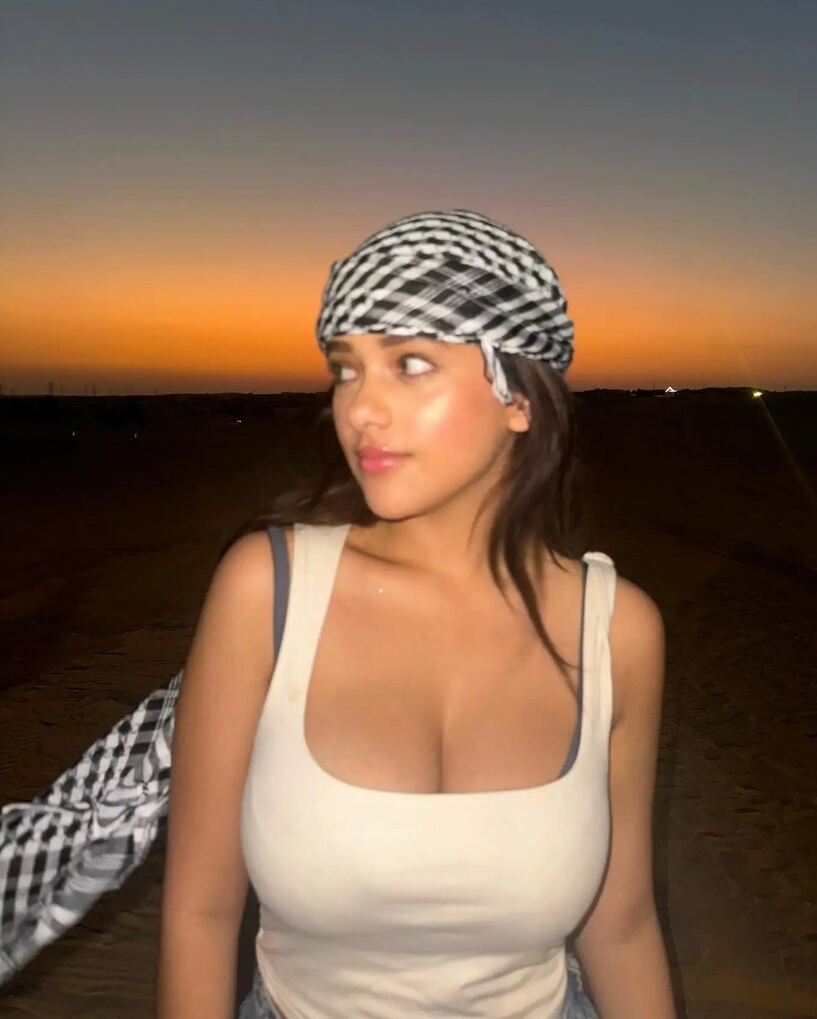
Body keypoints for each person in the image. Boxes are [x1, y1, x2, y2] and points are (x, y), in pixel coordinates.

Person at [156, 208, 677, 1018]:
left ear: (518, 397)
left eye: (409, 363)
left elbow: (623, 926)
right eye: (346, 368)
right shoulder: (269, 591)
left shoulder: (616, 631)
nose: (360, 408)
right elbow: (200, 911)